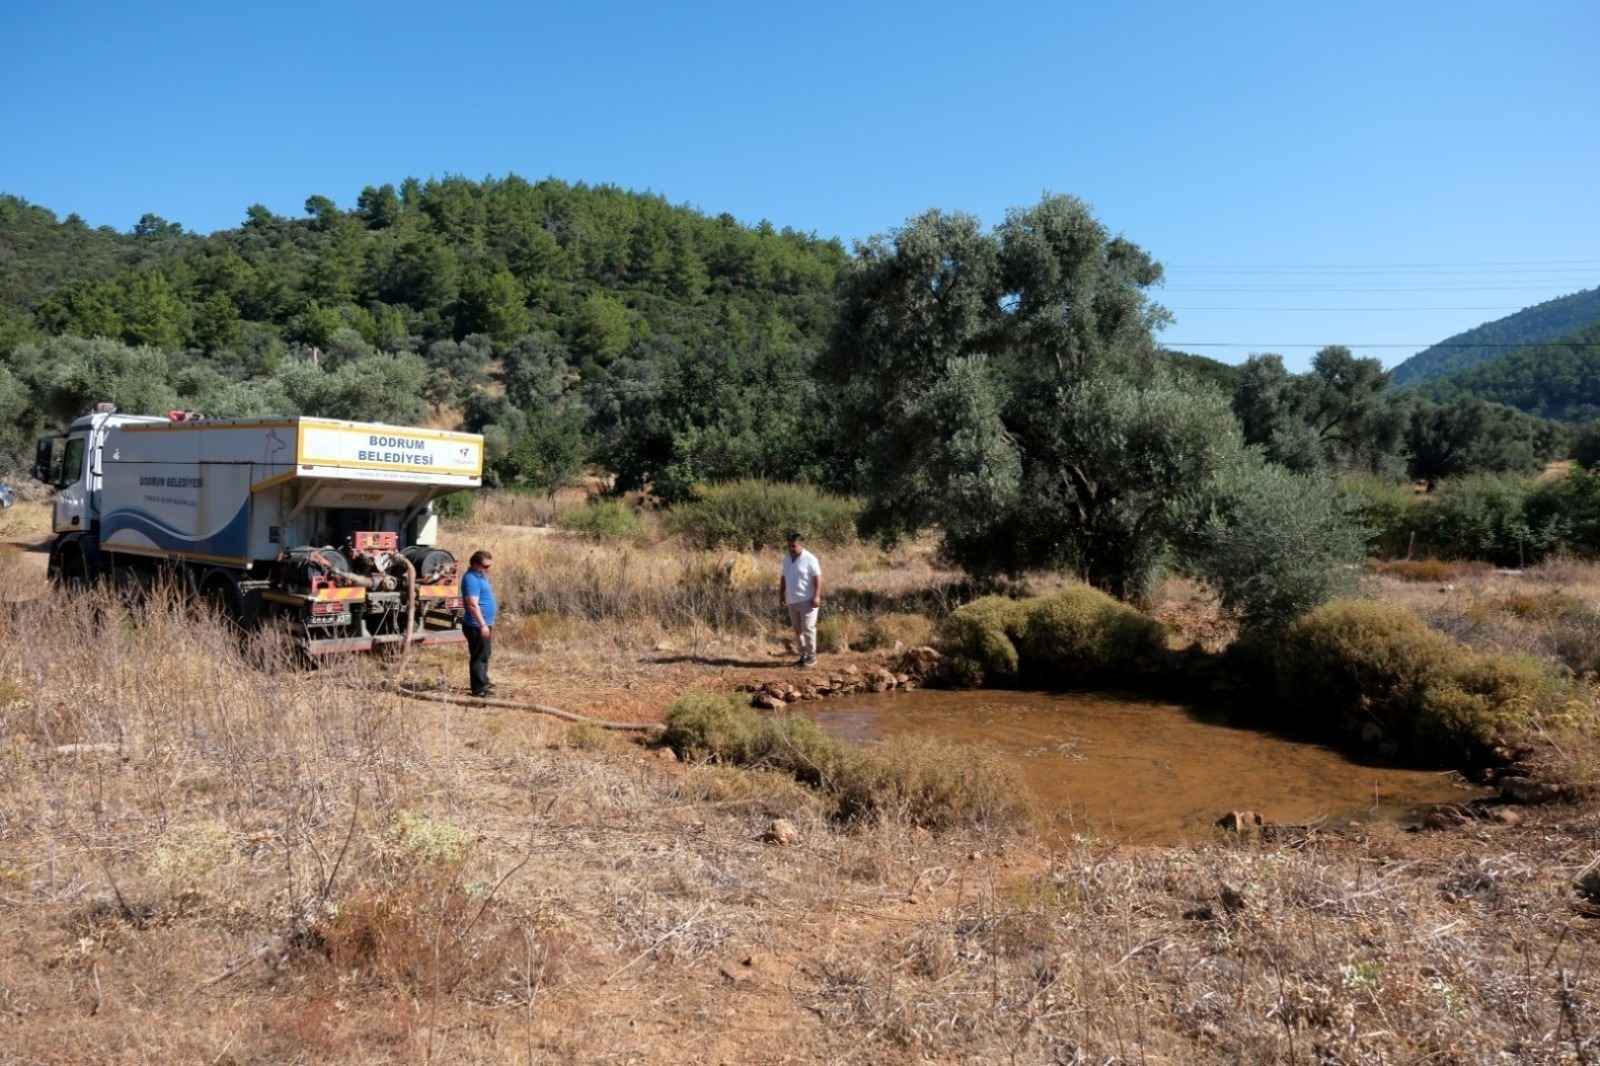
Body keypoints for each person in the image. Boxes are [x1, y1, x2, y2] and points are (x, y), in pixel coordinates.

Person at [779, 531, 822, 667]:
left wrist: (816, 595)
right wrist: (781, 594)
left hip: (807, 600)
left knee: (808, 628)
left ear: (801, 544)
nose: (791, 548)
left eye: (794, 546)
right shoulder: (786, 558)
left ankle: (812, 656)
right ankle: (803, 655)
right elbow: (784, 577)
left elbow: (817, 577)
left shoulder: (810, 559)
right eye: (789, 546)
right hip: (792, 600)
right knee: (797, 629)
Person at [462, 549, 497, 697]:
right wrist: (483, 625)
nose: (487, 570)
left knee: (485, 653)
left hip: (483, 624)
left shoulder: (479, 575)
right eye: (485, 566)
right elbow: (472, 605)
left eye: (489, 566)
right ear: (475, 564)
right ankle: (478, 689)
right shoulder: (471, 579)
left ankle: (483, 681)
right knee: (479, 656)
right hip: (476, 626)